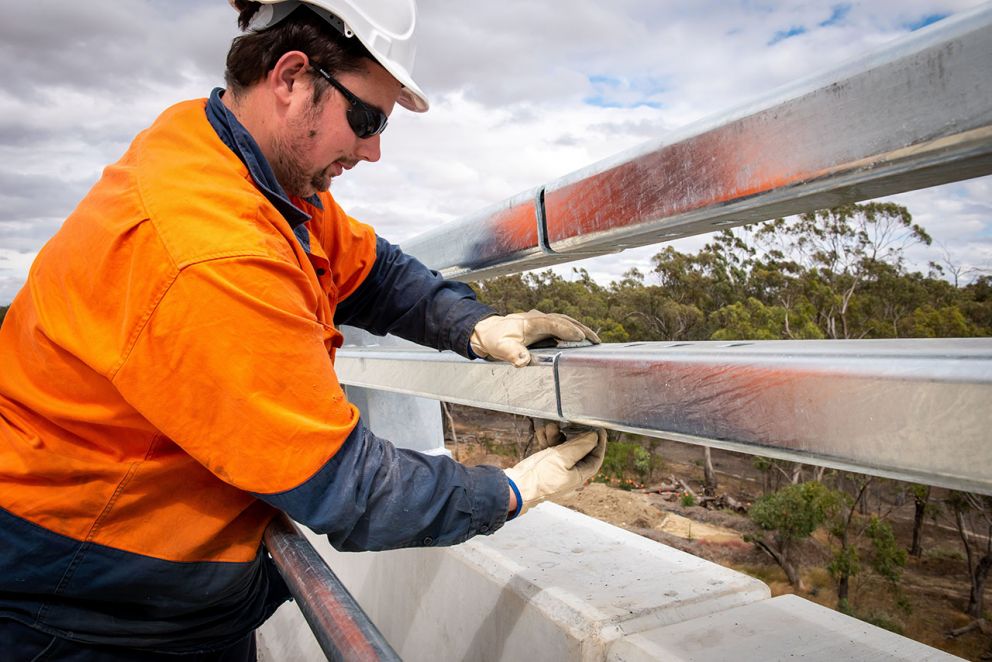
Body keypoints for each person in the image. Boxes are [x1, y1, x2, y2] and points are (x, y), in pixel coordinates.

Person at [0, 1, 607, 659]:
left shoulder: (235, 160)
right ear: (290, 78)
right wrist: (512, 490)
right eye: (367, 118)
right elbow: (345, 487)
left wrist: (476, 325)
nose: (374, 149)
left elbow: (373, 272)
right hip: (85, 611)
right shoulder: (210, 247)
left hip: (161, 590)